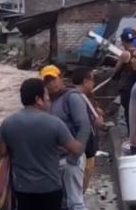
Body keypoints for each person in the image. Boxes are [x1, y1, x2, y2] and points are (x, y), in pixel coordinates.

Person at [0, 78, 83, 210]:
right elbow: (76, 149)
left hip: (22, 188)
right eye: (46, 95)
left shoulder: (7, 123)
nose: (49, 99)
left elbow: (2, 153)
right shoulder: (54, 123)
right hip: (50, 188)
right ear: (38, 99)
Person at [41, 65, 91, 210]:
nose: (51, 84)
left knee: (75, 202)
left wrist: (76, 154)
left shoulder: (72, 97)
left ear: (61, 78)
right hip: (55, 160)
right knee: (62, 202)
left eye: (53, 79)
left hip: (71, 159)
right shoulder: (47, 102)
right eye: (47, 81)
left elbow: (84, 126)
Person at [71, 67, 104, 192]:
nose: (94, 83)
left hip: (83, 146)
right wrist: (97, 118)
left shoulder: (81, 96)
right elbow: (94, 122)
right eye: (92, 80)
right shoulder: (79, 97)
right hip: (85, 147)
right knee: (82, 178)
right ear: (85, 81)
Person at [114, 28, 136, 133]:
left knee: (129, 112)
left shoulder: (126, 54)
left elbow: (116, 69)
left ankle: (131, 136)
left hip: (127, 87)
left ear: (123, 41)